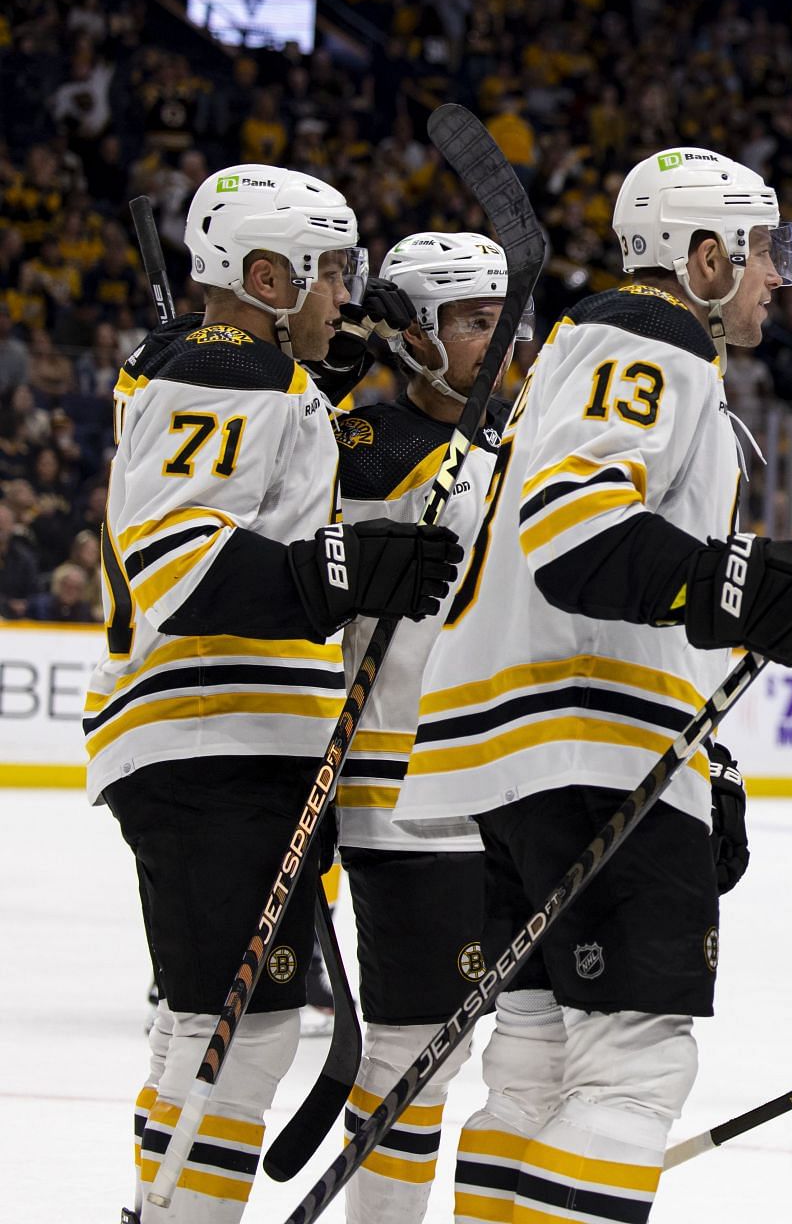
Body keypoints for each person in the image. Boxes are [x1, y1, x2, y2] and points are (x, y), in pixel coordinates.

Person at [394, 147, 792, 1224]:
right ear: (702, 258)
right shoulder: (647, 337)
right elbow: (579, 532)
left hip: (516, 755)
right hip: (591, 742)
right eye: (761, 251)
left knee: (537, 1065)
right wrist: (739, 581)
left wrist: (716, 752)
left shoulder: (578, 352)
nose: (778, 278)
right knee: (634, 1069)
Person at [87, 163, 460, 1224]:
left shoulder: (246, 373)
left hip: (208, 736)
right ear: (266, 272)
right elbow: (180, 562)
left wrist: (323, 380)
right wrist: (343, 570)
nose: (348, 295)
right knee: (240, 1034)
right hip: (215, 733)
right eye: (332, 272)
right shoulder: (225, 366)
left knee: (199, 1023)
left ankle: (160, 1209)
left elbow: (259, 489)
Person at [325, 229, 519, 1223]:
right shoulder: (368, 442)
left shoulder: (517, 447)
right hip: (402, 794)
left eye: (502, 316)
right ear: (414, 333)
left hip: (502, 790)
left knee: (502, 1044)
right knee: (415, 1048)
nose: (499, 338)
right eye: (474, 320)